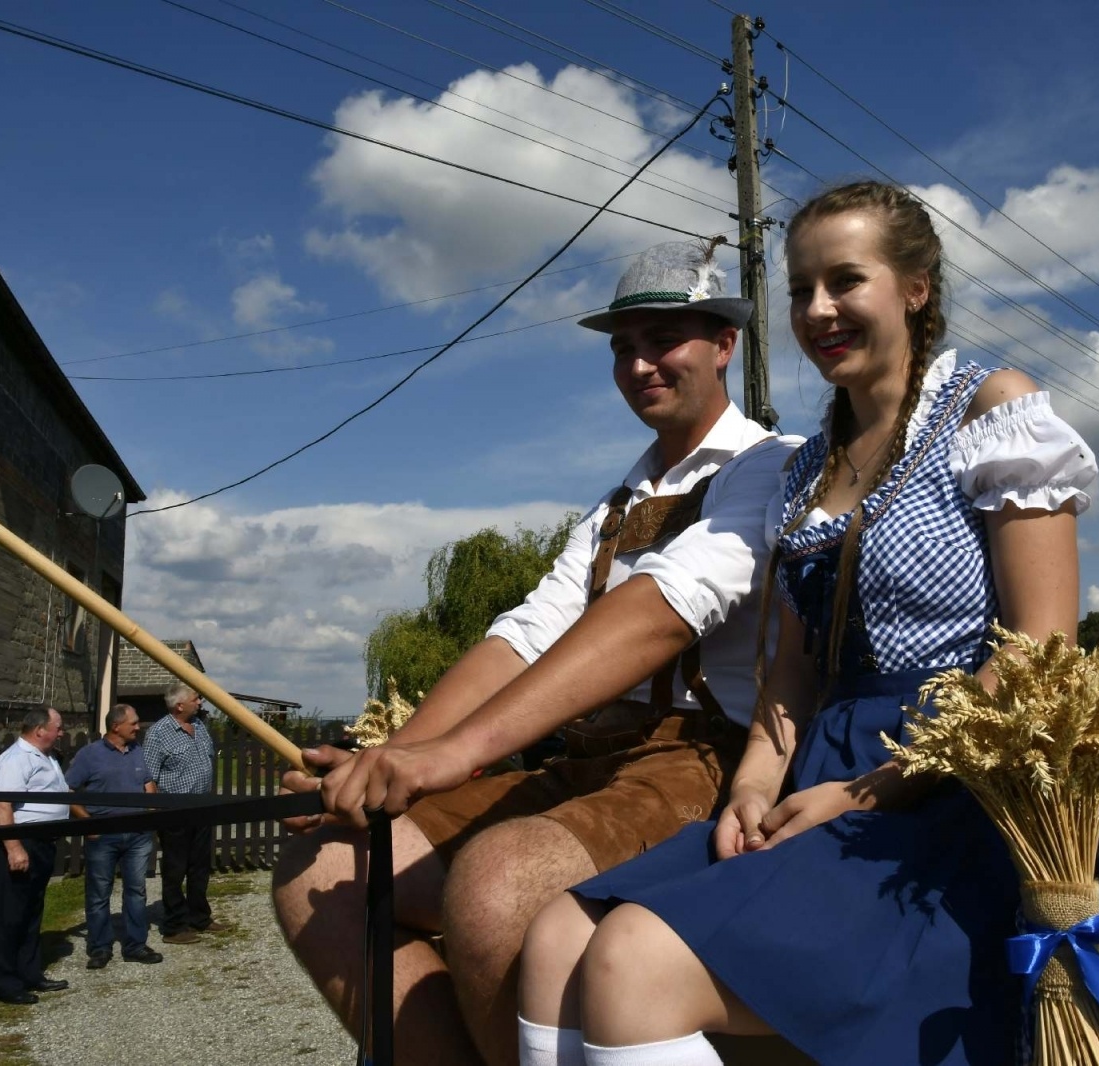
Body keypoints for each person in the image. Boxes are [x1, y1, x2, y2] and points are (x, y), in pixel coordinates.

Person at [515, 180, 1099, 1066]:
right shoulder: (806, 467)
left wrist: (867, 789)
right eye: (802, 289)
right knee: (556, 940)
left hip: (957, 789)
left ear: (916, 287)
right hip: (817, 772)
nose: (818, 309)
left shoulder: (990, 406)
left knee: (632, 961)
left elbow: (1041, 653)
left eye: (846, 281)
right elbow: (796, 674)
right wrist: (752, 791)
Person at [273, 239, 798, 1066]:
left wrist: (457, 754)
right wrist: (392, 760)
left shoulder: (771, 468)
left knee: (498, 881)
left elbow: (663, 611)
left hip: (702, 762)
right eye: (623, 347)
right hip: (588, 761)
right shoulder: (613, 505)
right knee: (321, 866)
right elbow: (523, 635)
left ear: (723, 344)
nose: (639, 364)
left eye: (664, 339)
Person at [67, 703, 164, 968]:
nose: (137, 727)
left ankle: (136, 945)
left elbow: (147, 782)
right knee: (99, 893)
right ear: (116, 726)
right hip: (103, 835)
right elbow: (69, 790)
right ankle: (99, 948)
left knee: (136, 890)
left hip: (137, 835)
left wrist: (151, 813)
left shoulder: (137, 751)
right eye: (133, 723)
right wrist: (88, 823)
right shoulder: (89, 755)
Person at [0, 706, 72, 1005]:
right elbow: (1, 806)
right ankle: (5, 984)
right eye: (58, 727)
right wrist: (14, 848)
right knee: (10, 915)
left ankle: (30, 973)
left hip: (41, 843)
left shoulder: (45, 757)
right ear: (39, 730)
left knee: (31, 912)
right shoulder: (17, 759)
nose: (61, 732)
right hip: (20, 842)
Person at [143, 682, 228, 944]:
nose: (200, 702)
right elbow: (149, 777)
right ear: (179, 705)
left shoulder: (200, 727)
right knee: (175, 868)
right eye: (196, 698)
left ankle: (199, 917)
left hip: (201, 807)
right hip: (175, 810)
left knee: (200, 866)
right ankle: (174, 926)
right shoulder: (159, 733)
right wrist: (156, 811)